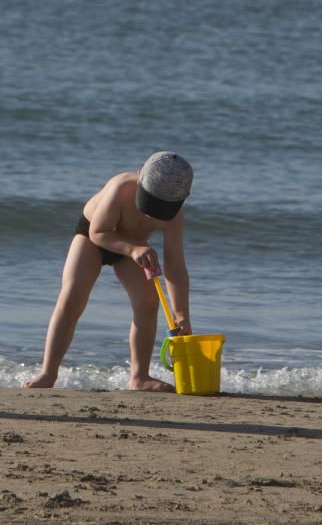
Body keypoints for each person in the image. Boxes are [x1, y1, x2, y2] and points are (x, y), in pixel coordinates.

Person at [23, 151, 194, 392]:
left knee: (148, 302)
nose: (151, 213)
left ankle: (139, 377)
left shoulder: (174, 217)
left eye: (161, 208)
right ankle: (48, 373)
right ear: (140, 178)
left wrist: (181, 313)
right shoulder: (120, 187)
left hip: (133, 247)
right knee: (72, 297)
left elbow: (175, 265)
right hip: (95, 237)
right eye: (150, 202)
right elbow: (99, 232)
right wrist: (133, 249)